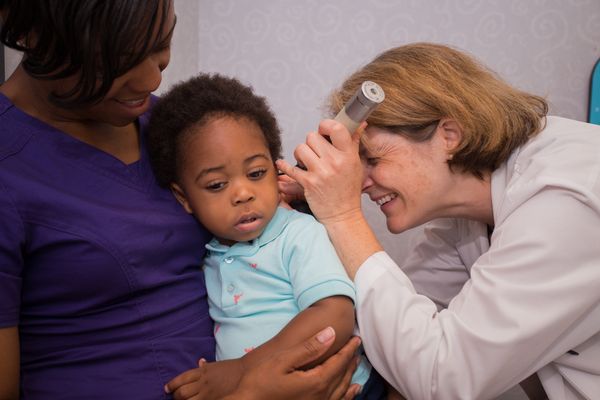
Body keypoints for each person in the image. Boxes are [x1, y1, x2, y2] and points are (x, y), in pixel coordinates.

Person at [0, 1, 357, 399]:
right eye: (119, 60)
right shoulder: (9, 166)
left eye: (161, 43)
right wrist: (249, 391)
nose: (152, 78)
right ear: (34, 36)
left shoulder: (183, 133)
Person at [277, 42, 600, 400]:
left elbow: (442, 379)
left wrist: (341, 215)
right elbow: (399, 334)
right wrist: (303, 218)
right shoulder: (463, 220)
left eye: (372, 159)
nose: (359, 183)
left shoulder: (564, 199)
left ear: (449, 136)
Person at [146, 73, 388, 399]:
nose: (243, 193)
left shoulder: (298, 233)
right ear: (183, 197)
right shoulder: (207, 256)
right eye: (217, 185)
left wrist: (242, 371)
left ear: (276, 172)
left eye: (257, 173)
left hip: (347, 390)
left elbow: (335, 316)